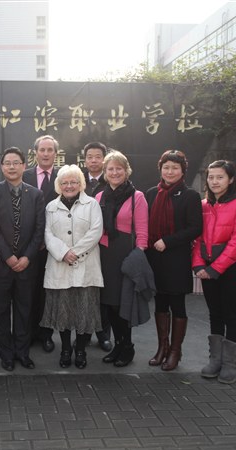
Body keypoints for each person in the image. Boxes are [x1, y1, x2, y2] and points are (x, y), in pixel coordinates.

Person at [0, 147, 45, 371]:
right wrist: (8, 257)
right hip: (1, 264)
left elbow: (40, 229)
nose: (12, 166)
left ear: (23, 166)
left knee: (24, 310)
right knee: (0, 311)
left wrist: (27, 257)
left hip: (28, 265)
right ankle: (6, 355)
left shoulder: (36, 194)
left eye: (16, 162)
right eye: (7, 163)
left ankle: (23, 352)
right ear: (1, 167)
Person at [193, 160, 236, 384]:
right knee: (214, 313)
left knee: (230, 314)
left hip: (229, 268)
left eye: (219, 177)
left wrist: (216, 269)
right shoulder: (204, 205)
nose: (214, 181)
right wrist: (199, 265)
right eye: (211, 177)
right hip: (206, 267)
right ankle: (215, 360)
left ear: (230, 179)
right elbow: (197, 238)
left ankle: (230, 364)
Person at [41, 165, 104, 369]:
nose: (69, 186)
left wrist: (75, 252)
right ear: (59, 185)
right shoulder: (50, 206)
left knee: (85, 312)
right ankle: (66, 349)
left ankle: (81, 350)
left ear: (81, 184)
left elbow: (96, 232)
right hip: (60, 267)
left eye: (74, 182)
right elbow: (47, 235)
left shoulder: (92, 204)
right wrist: (62, 253)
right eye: (65, 182)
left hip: (86, 266)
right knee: (63, 312)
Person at [145, 150, 203, 371]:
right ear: (160, 169)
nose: (170, 172)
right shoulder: (151, 193)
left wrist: (168, 241)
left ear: (182, 171)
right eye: (166, 167)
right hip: (155, 257)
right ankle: (162, 348)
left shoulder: (190, 196)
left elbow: (195, 228)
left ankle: (175, 352)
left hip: (176, 257)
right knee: (160, 303)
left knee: (177, 305)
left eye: (175, 168)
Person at [95, 151, 149, 367]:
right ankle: (117, 345)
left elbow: (143, 231)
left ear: (126, 171)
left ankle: (127, 347)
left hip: (126, 256)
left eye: (119, 168)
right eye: (110, 169)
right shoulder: (99, 197)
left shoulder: (137, 197)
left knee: (123, 305)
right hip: (104, 254)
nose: (115, 172)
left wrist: (139, 253)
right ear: (105, 173)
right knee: (108, 305)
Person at [22, 135, 59, 353]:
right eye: (42, 150)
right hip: (27, 246)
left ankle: (45, 334)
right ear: (35, 153)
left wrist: (48, 240)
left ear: (56, 153)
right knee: (27, 292)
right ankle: (26, 333)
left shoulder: (62, 177)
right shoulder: (24, 175)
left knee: (47, 293)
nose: (45, 154)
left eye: (50, 150)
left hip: (52, 246)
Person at [81, 141, 112, 352]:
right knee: (84, 292)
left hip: (105, 245)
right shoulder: (78, 180)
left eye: (98, 156)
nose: (93, 160)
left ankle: (103, 334)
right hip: (80, 246)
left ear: (104, 159)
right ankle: (83, 335)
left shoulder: (112, 180)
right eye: (89, 156)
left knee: (104, 292)